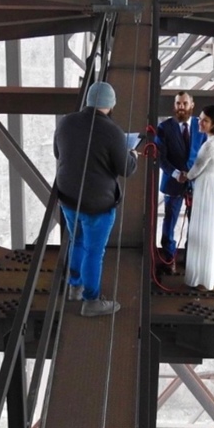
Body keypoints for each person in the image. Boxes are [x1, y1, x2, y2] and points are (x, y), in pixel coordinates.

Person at [53, 81, 138, 316]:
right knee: (94, 251)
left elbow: (58, 153)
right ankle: (91, 302)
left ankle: (74, 287)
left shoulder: (66, 121)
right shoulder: (113, 132)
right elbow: (126, 169)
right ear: (111, 105)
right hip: (98, 204)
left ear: (88, 101)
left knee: (76, 241)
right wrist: (132, 154)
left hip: (68, 198)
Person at [180, 105, 214, 292]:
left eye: (205, 120)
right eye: (200, 118)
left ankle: (204, 280)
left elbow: (194, 172)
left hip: (208, 188)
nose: (199, 122)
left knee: (205, 232)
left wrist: (183, 175)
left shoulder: (210, 145)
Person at [155, 91, 206, 273]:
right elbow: (160, 158)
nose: (181, 107)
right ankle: (169, 257)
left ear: (192, 105)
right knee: (170, 220)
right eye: (178, 104)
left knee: (196, 221)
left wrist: (194, 174)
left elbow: (205, 153)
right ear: (174, 106)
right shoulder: (164, 127)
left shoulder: (200, 127)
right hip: (173, 180)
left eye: (185, 103)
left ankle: (191, 256)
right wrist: (176, 173)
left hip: (195, 182)